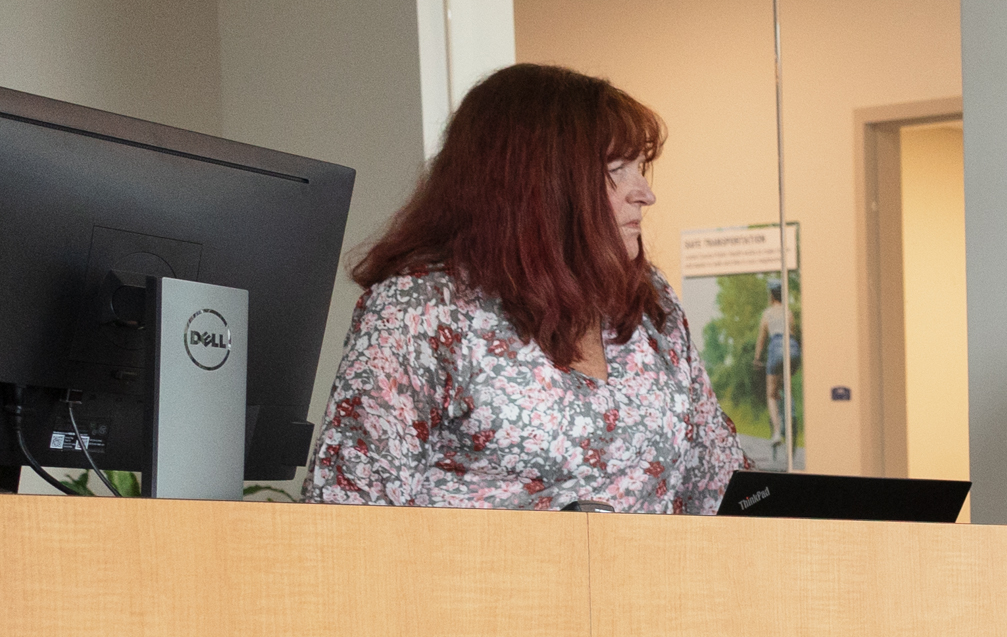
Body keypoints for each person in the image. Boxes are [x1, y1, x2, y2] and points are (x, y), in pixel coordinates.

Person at [307, 63, 738, 513]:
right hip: (476, 583)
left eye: (639, 168)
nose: (645, 193)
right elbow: (346, 511)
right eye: (617, 168)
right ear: (542, 185)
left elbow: (719, 482)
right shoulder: (422, 310)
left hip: (654, 582)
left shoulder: (648, 302)